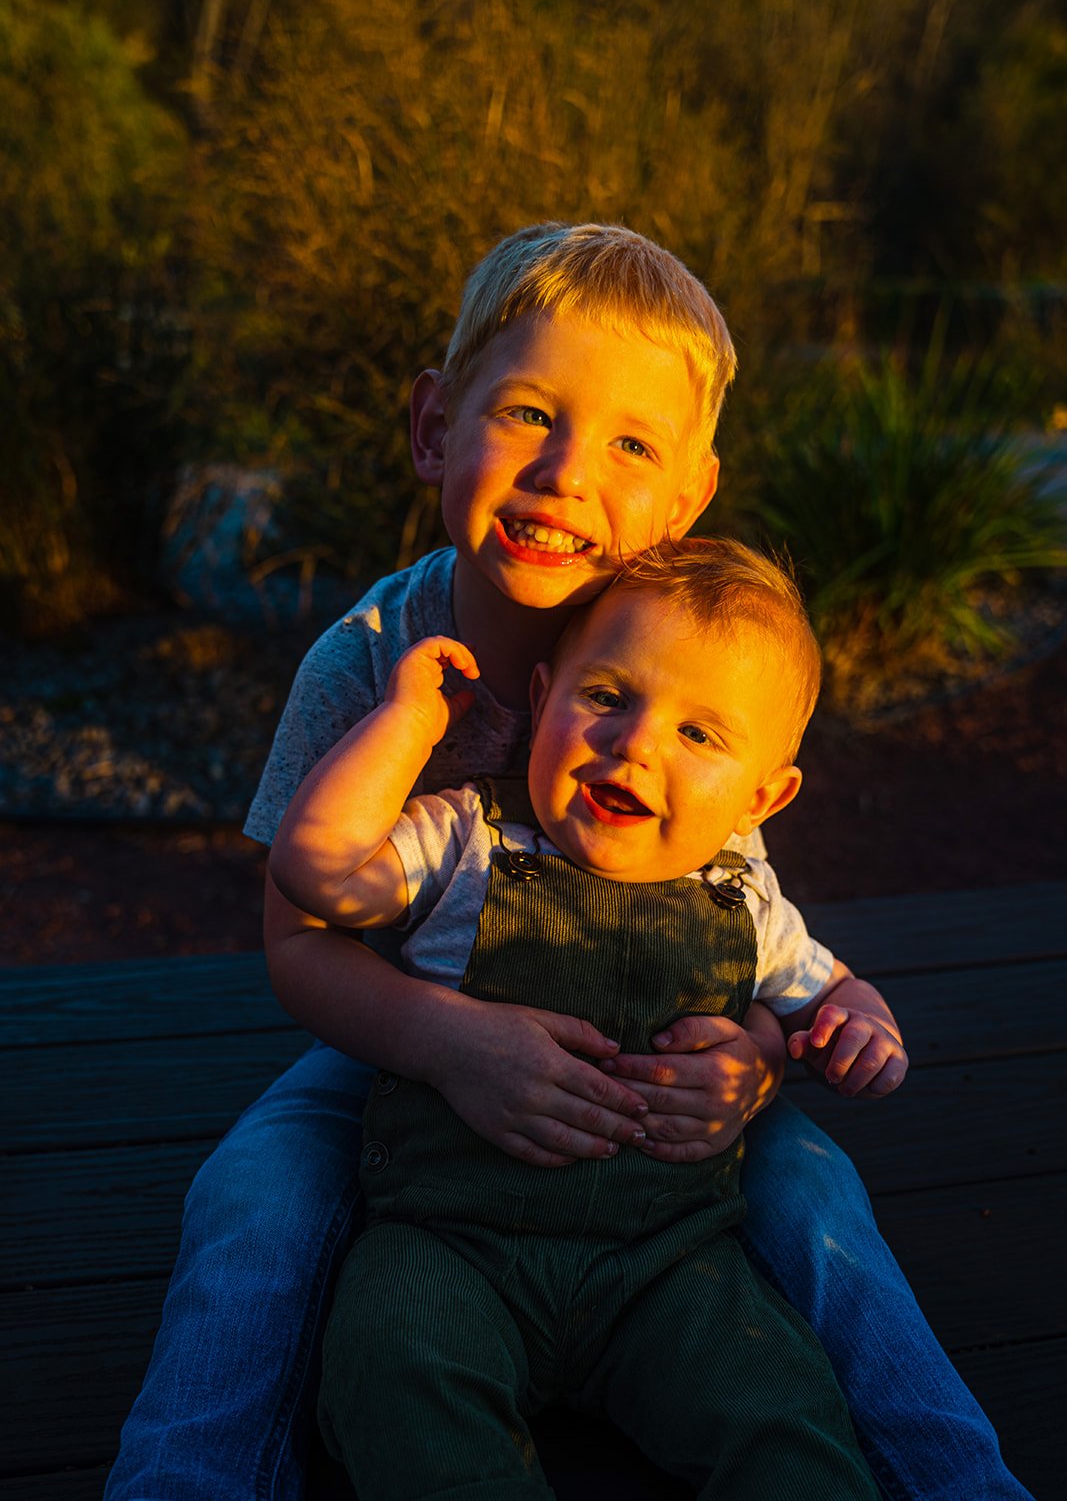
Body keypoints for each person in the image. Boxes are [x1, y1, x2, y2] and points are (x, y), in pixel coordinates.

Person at [104, 222, 1031, 1501]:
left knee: (820, 1206)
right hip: (399, 1048)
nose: (562, 473)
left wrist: (753, 1065)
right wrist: (449, 1044)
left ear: (686, 493)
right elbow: (296, 942)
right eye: (528, 414)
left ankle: (954, 1482)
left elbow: (737, 922)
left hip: (643, 1061)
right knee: (253, 1199)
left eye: (628, 445)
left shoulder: (684, 668)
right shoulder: (372, 654)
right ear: (434, 428)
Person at [268, 538, 898, 1499]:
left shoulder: (749, 901)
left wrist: (857, 1029)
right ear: (544, 693)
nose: (637, 743)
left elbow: (831, 991)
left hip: (667, 1268)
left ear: (761, 796)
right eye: (607, 697)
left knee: (778, 1406)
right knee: (390, 1367)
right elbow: (316, 871)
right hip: (453, 1245)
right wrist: (403, 725)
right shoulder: (465, 839)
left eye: (698, 735)